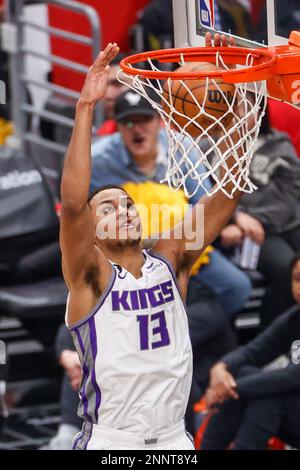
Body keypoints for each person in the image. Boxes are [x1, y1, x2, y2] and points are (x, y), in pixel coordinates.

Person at [60, 37, 245, 450]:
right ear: (91, 232)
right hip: (113, 444)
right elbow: (73, 205)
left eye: (126, 203)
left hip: (172, 441)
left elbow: (229, 191)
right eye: (107, 208)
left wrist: (240, 104)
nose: (123, 209)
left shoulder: (172, 258)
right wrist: (85, 107)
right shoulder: (90, 277)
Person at [201, 252, 300, 450]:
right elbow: (253, 351)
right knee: (244, 374)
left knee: (269, 395)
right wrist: (221, 368)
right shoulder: (294, 318)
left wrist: (230, 388)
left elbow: (293, 377)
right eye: (298, 279)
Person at [220, 107, 300, 327]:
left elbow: (289, 194)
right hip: (246, 234)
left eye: (248, 108)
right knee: (286, 271)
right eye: (235, 108)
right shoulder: (211, 147)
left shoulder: (280, 144)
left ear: (260, 111)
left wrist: (252, 218)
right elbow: (206, 194)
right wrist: (236, 218)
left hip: (284, 224)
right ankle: (271, 339)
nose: (241, 114)